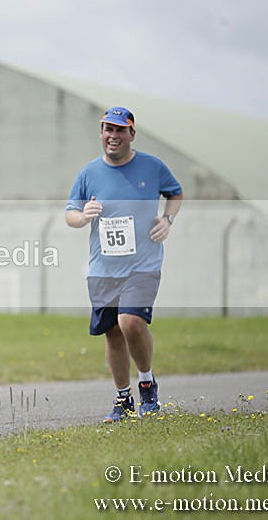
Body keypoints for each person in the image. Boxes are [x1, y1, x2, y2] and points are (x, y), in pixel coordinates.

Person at [65, 107, 183, 423]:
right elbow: (70, 214)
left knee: (130, 322)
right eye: (107, 129)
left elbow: (176, 193)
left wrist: (168, 220)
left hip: (143, 264)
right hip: (103, 269)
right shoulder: (88, 173)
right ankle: (123, 400)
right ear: (101, 133)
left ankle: (146, 383)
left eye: (120, 130)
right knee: (112, 334)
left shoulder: (152, 167)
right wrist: (83, 216)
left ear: (131, 134)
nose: (113, 136)